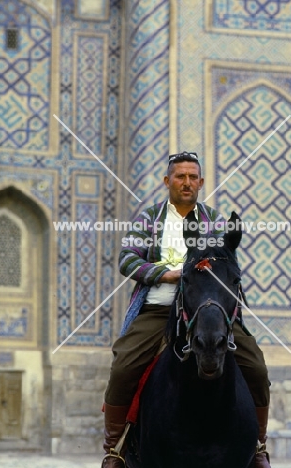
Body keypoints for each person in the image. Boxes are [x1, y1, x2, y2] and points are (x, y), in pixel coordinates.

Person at [101, 151, 271, 468]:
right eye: (180, 176)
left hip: (208, 308)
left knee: (257, 368)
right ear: (168, 181)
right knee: (124, 366)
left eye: (193, 177)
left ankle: (258, 446)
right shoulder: (149, 218)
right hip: (158, 310)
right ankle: (115, 448)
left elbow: (228, 264)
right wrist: (166, 274)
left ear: (201, 182)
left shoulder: (217, 222)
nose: (187, 182)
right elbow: (127, 259)